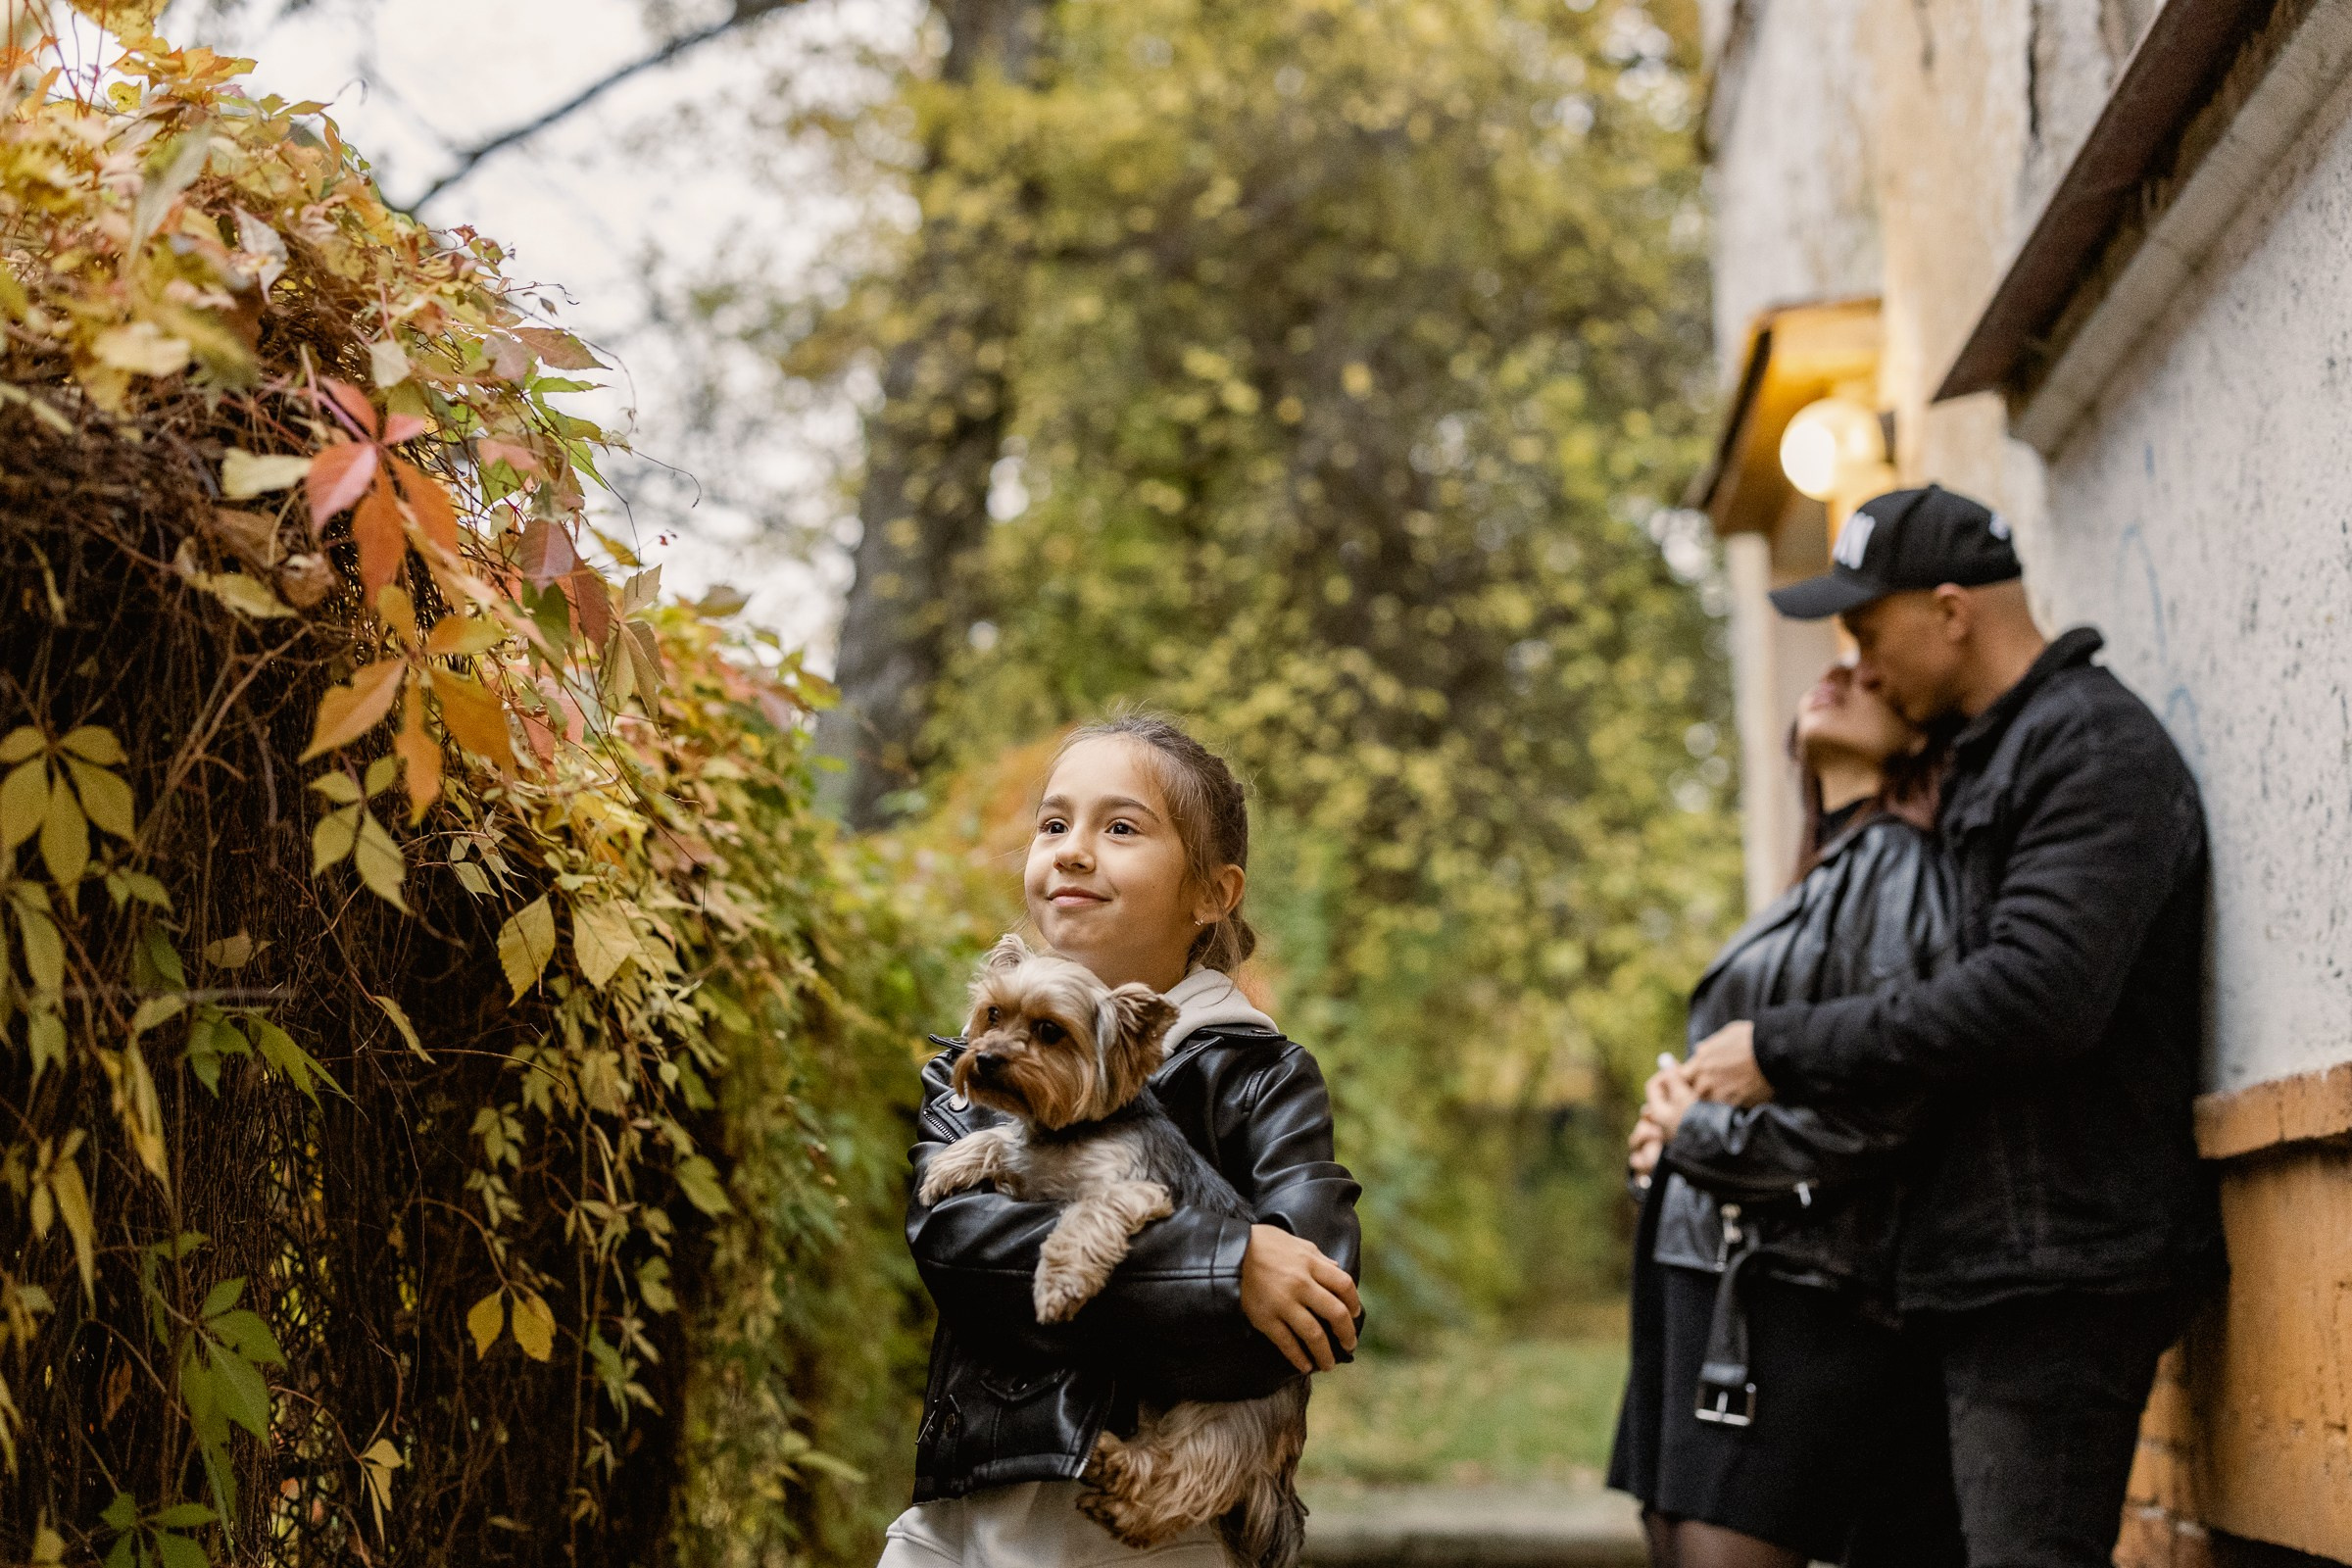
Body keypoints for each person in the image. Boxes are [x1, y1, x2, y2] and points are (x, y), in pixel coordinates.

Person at [1683, 485, 2225, 1568]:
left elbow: (2037, 993)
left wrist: (1783, 1051)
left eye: (1869, 632)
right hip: (1969, 1269)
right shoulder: (1992, 754)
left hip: (2056, 1275)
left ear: (1950, 609)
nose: (1862, 663)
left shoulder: (2090, 749)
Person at [883, 713, 1363, 1567]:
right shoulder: (973, 1067)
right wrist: (1228, 1268)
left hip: (1168, 1542)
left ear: (1212, 893)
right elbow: (964, 1254)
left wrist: (1242, 1280)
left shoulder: (1264, 1076)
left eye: (1120, 827)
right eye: (1054, 824)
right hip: (965, 1517)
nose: (1072, 849)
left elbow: (1314, 1302)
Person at [1608, 656, 1964, 1568]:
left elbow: (1887, 1112)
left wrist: (1698, 1134)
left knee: (1724, 1550)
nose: (1839, 673)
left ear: (1921, 733)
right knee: (1679, 1541)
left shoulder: (1900, 863)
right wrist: (1665, 1137)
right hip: (1720, 1274)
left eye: (1875, 677)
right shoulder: (1824, 873)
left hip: (1789, 1288)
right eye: (1833, 667)